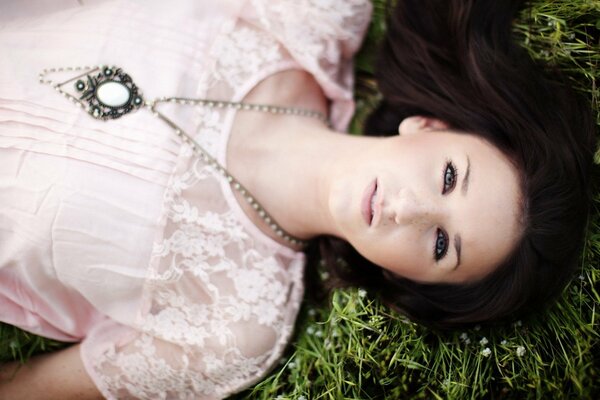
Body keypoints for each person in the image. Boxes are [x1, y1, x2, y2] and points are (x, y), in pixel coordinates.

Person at [0, 0, 594, 399]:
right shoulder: (307, 16)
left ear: (418, 281)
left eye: (442, 244)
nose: (408, 210)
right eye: (447, 178)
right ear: (431, 126)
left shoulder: (233, 328)